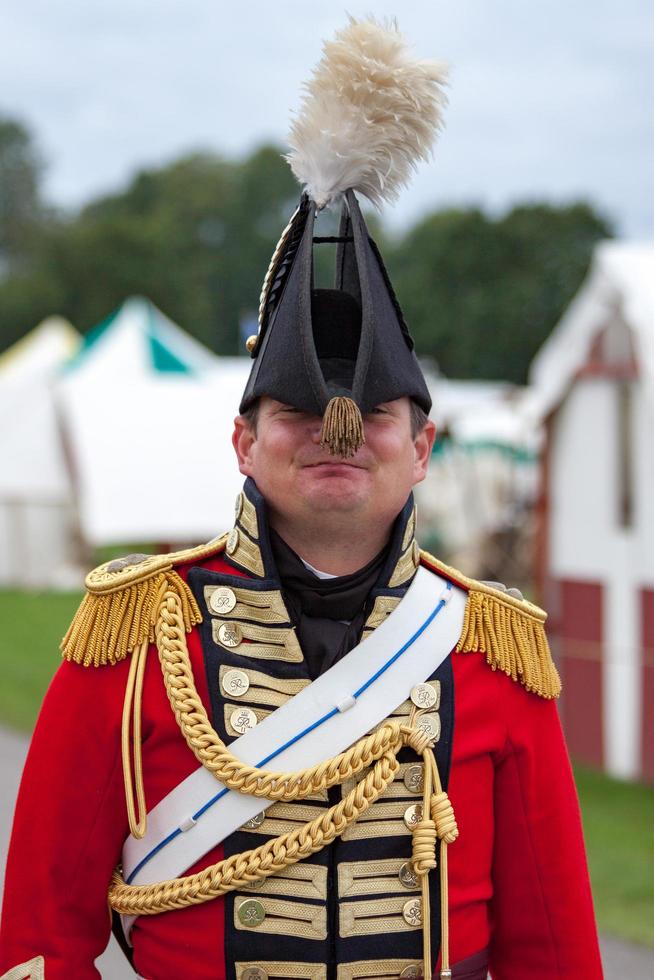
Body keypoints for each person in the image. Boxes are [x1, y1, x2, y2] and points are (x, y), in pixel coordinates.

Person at [0, 17, 603, 980]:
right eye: (295, 410)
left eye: (374, 410)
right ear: (243, 440)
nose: (337, 428)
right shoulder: (131, 636)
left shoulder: (495, 648)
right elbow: (40, 938)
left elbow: (556, 951)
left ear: (424, 447)